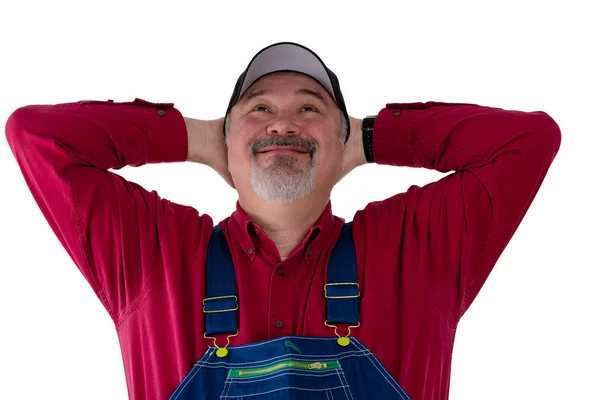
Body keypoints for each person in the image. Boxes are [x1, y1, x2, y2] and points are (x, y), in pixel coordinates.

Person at [5, 42, 561, 400]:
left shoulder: (416, 251)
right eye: (260, 110)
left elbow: (529, 141)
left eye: (310, 109)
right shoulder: (153, 254)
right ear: (227, 138)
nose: (282, 125)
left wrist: (369, 138)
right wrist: (199, 138)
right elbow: (36, 136)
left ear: (340, 139)